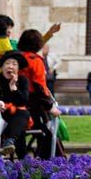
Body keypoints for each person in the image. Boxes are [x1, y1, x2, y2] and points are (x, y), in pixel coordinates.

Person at [16, 29, 59, 157]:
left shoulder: (15, 58)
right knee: (47, 133)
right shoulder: (35, 60)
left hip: (14, 103)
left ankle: (22, 157)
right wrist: (50, 106)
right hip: (33, 105)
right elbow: (39, 87)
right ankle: (43, 161)